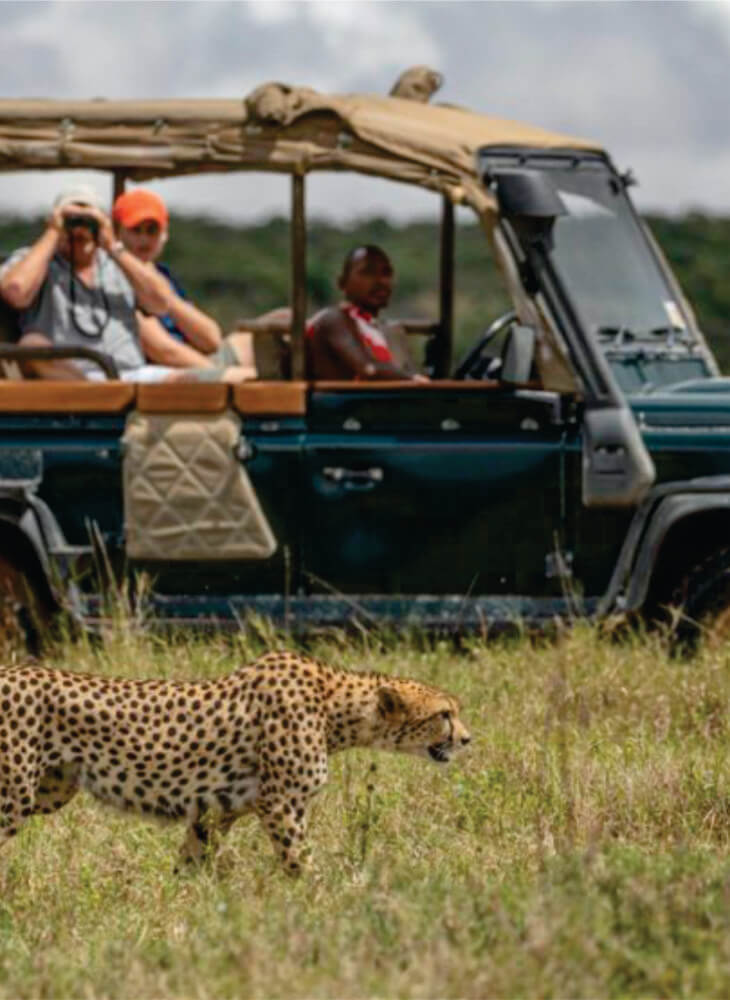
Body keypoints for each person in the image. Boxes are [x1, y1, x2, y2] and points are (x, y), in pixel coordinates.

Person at [0, 184, 176, 382]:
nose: (79, 228)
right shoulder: (36, 260)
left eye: (88, 220)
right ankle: (99, 394)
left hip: (129, 372)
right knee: (32, 345)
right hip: (68, 377)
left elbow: (162, 303)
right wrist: (53, 233)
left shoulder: (120, 262)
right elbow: (15, 292)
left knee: (191, 382)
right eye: (71, 220)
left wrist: (112, 245)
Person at [112, 188, 261, 377]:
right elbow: (163, 351)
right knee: (251, 378)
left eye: (152, 230)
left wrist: (164, 294)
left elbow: (211, 338)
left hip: (195, 356)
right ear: (118, 233)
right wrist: (223, 375)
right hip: (167, 372)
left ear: (164, 234)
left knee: (273, 332)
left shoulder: (162, 273)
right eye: (135, 230)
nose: (144, 239)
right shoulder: (115, 279)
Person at [305, 245, 426, 381]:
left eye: (386, 273)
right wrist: (413, 379)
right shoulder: (333, 319)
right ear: (342, 283)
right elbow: (368, 369)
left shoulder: (384, 330)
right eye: (368, 273)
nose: (380, 281)